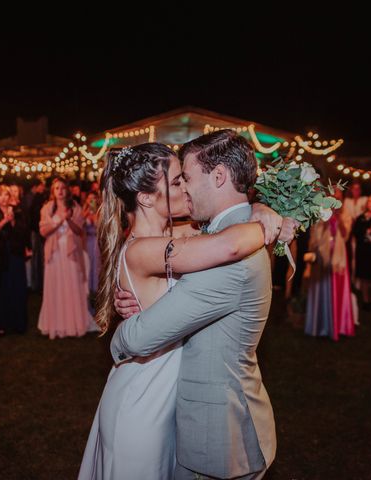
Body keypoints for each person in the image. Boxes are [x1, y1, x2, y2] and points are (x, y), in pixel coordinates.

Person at [97, 132, 295, 480]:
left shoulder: (189, 233)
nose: (185, 189)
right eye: (177, 181)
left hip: (182, 398)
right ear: (145, 197)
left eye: (184, 178)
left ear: (217, 176)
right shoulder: (150, 247)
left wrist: (261, 209)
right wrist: (263, 222)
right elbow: (228, 245)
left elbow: (221, 240)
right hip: (146, 391)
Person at [37, 179, 93, 338]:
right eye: (56, 188)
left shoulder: (75, 207)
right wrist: (60, 220)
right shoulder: (47, 208)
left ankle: (74, 324)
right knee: (56, 287)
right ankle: (56, 324)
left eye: (62, 188)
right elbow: (43, 231)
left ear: (67, 190)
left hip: (71, 253)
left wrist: (68, 218)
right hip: (54, 253)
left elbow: (79, 230)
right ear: (52, 191)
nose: (60, 191)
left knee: (71, 285)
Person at [305, 187, 355, 340]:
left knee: (337, 288)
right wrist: (325, 221)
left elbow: (345, 235)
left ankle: (339, 325)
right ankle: (319, 325)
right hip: (322, 255)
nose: (334, 198)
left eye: (338, 196)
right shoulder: (320, 212)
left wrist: (338, 219)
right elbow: (314, 237)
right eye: (332, 195)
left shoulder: (346, 214)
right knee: (321, 287)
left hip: (338, 257)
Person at [0, 185, 29, 335]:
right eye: (0, 195)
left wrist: (13, 220)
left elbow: (23, 234)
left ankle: (16, 323)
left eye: (6, 195)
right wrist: (4, 221)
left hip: (14, 254)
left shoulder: (18, 213)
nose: (3, 198)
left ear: (10, 198)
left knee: (15, 288)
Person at [82, 191, 101, 304]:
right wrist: (86, 213)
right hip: (87, 242)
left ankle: (96, 293)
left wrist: (95, 217)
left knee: (96, 268)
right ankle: (87, 295)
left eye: (93, 198)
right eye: (89, 199)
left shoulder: (99, 212)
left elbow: (100, 227)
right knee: (88, 268)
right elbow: (79, 225)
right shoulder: (84, 211)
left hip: (96, 243)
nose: (91, 201)